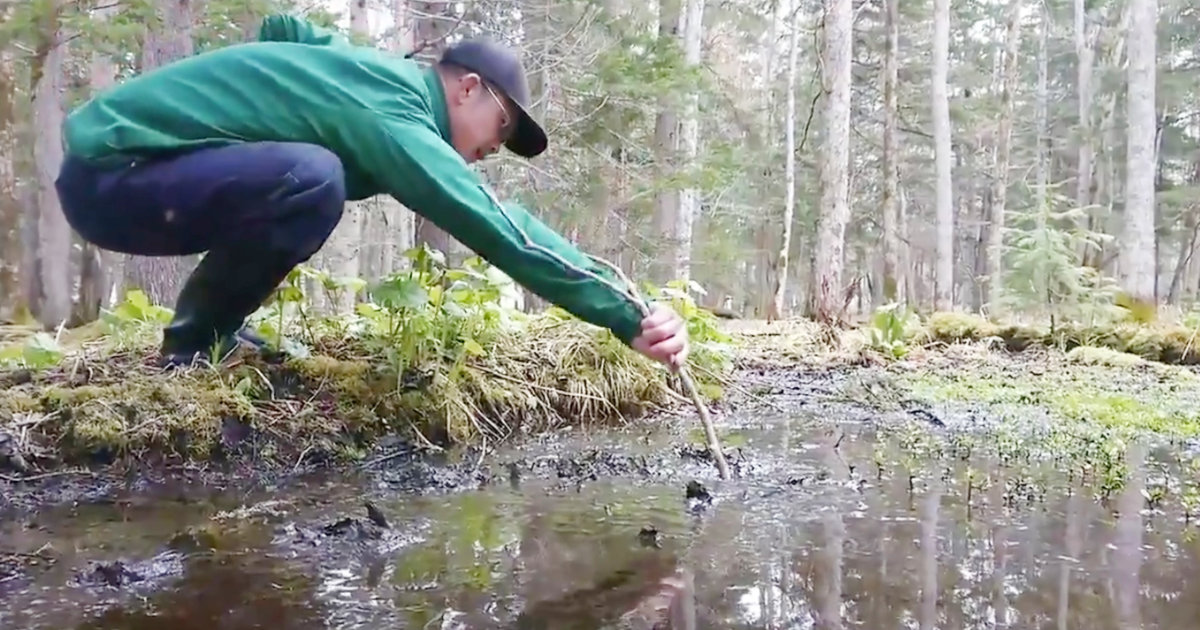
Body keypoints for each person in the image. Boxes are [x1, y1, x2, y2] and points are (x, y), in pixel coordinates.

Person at [55, 13, 689, 370]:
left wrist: (268, 92)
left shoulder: (373, 80)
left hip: (122, 173)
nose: (497, 147)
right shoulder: (395, 112)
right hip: (116, 176)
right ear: (466, 88)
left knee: (309, 171)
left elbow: (289, 29)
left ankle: (209, 335)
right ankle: (194, 346)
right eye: (503, 126)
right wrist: (627, 315)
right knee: (312, 178)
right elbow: (497, 226)